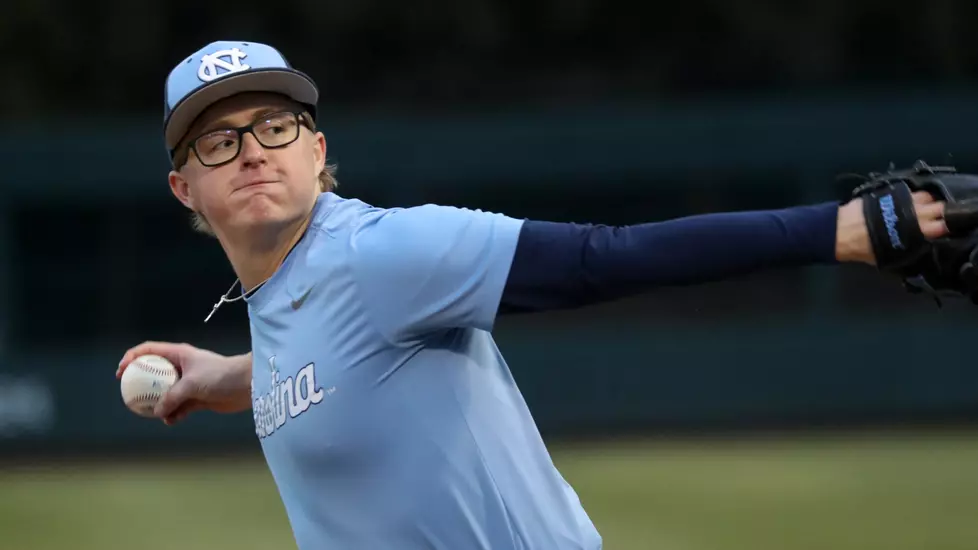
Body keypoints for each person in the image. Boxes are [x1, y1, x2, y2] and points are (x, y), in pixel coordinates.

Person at [116, 40, 949, 550]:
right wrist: (225, 377)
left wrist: (840, 231)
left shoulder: (383, 253)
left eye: (274, 126)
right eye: (219, 140)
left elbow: (608, 259)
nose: (254, 152)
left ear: (316, 148)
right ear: (185, 188)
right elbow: (340, 356)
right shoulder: (286, 288)